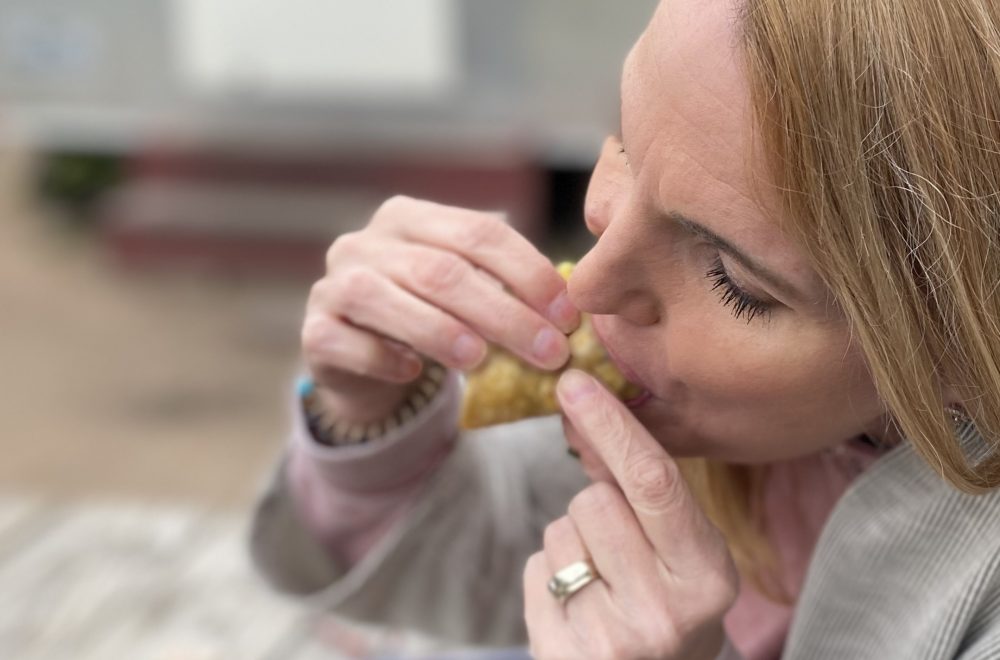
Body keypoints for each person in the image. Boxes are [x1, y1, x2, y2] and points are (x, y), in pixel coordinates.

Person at [249, 0, 1000, 657]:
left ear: (965, 355)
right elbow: (468, 563)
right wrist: (368, 417)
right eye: (623, 142)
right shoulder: (683, 405)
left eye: (732, 280)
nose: (596, 282)